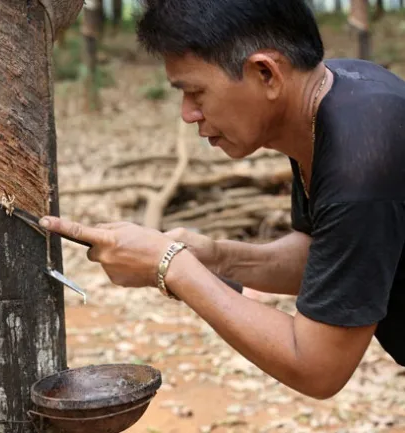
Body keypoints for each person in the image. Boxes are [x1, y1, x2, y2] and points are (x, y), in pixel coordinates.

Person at [39, 0, 405, 400]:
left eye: (196, 92)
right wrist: (214, 257)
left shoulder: (361, 161)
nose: (188, 114)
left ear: (266, 73)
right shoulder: (339, 98)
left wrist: (172, 267)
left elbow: (316, 366)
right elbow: (331, 254)